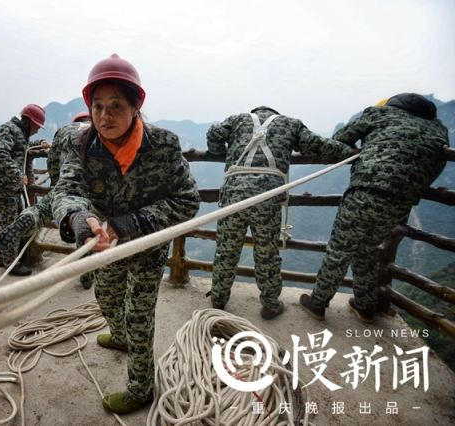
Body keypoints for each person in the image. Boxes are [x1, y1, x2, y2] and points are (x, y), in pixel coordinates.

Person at [50, 54, 200, 414]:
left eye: (116, 105)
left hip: (147, 245)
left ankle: (140, 388)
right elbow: (67, 189)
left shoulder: (163, 146)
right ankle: (119, 337)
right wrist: (78, 217)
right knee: (106, 297)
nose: (105, 116)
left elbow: (187, 200)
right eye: (98, 106)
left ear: (136, 107)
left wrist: (133, 222)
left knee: (139, 317)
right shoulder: (83, 145)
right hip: (104, 242)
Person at [300, 93, 448, 323]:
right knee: (367, 251)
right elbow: (437, 164)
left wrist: (365, 151)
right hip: (400, 203)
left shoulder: (380, 113)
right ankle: (365, 307)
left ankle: (317, 304)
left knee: (339, 250)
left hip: (365, 193)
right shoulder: (438, 129)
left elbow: (340, 139)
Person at [207, 107, 356, 319]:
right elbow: (319, 145)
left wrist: (218, 151)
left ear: (255, 112)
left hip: (234, 195)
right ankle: (270, 304)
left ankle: (219, 298)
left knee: (226, 250)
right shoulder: (291, 124)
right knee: (267, 253)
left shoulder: (237, 120)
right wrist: (353, 153)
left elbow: (214, 134)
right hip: (268, 197)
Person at [0, 111, 94, 288]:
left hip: (67, 183)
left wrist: (56, 186)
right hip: (94, 186)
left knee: (44, 208)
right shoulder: (99, 131)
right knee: (86, 224)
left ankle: (30, 216)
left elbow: (53, 162)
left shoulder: (65, 131)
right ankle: (87, 276)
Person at [0, 103, 48, 276]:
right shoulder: (8, 129)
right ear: (30, 121)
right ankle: (10, 263)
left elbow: (22, 148)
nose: (38, 129)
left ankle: (4, 258)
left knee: (8, 222)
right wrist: (17, 174)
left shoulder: (20, 133)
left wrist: (39, 143)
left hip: (11, 187)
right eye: (37, 125)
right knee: (8, 224)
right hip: (3, 188)